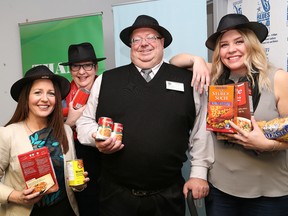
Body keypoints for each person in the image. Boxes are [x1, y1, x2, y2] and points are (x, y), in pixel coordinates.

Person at [76, 14, 213, 216]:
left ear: (162, 42)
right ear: (130, 45)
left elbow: (201, 130)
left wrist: (199, 174)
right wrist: (96, 137)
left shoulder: (188, 80)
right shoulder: (106, 80)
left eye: (151, 37)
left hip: (167, 196)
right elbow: (84, 122)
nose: (144, 44)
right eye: (136, 39)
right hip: (116, 197)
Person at [170, 13, 288, 216]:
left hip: (270, 194)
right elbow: (174, 62)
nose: (231, 49)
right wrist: (196, 59)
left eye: (239, 42)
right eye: (224, 45)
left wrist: (267, 145)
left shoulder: (277, 78)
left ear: (251, 44)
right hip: (221, 191)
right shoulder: (214, 76)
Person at [0, 65, 89, 216]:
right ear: (26, 97)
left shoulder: (65, 131)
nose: (45, 99)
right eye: (37, 92)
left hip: (64, 210)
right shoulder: (7, 134)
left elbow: (71, 176)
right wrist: (16, 196)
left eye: (51, 93)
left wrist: (79, 185)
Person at [60, 42, 106, 215]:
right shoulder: (61, 94)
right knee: (84, 202)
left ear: (96, 67)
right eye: (75, 67)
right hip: (75, 153)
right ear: (70, 70)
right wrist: (70, 120)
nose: (81, 72)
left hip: (105, 151)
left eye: (87, 65)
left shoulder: (108, 87)